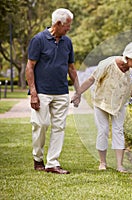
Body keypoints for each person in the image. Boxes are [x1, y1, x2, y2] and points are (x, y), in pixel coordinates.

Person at [71, 42, 132, 172]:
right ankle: (102, 163)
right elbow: (91, 79)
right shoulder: (108, 63)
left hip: (119, 105)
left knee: (118, 131)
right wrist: (78, 93)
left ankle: (119, 165)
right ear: (127, 58)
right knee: (103, 130)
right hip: (102, 102)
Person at [25, 8, 80, 174]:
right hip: (42, 92)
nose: (69, 28)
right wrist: (33, 93)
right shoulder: (39, 40)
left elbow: (71, 68)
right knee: (40, 125)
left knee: (59, 127)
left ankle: (52, 163)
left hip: (61, 91)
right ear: (58, 23)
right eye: (67, 25)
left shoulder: (67, 42)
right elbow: (30, 67)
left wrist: (78, 91)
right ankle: (37, 157)